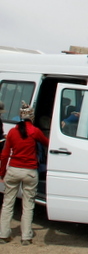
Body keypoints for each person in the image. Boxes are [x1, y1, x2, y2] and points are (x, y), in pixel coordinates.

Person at [0, 101, 50, 245]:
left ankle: (3, 234)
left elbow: (4, 155)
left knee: (7, 204)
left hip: (14, 170)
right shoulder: (35, 131)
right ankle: (26, 236)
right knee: (28, 206)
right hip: (30, 172)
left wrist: (2, 173)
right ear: (32, 117)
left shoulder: (12, 132)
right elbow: (47, 143)